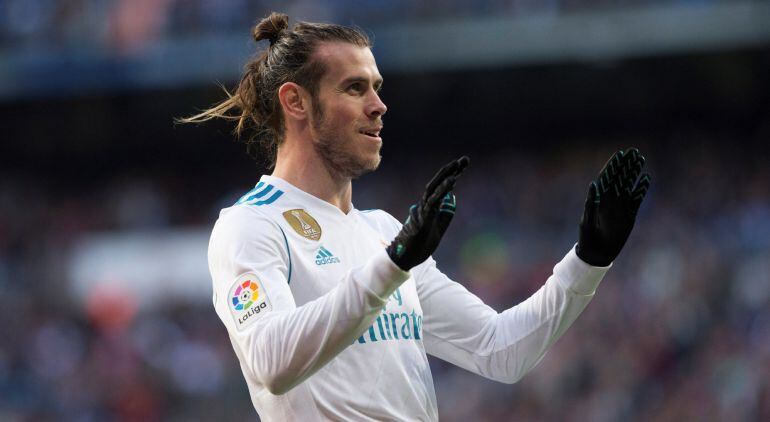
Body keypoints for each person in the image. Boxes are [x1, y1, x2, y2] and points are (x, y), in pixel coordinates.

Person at [180, 12, 651, 421]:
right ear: (296, 102)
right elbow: (272, 363)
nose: (379, 105)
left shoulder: (381, 231)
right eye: (354, 88)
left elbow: (500, 350)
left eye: (377, 88)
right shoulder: (252, 226)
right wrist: (394, 262)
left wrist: (589, 260)